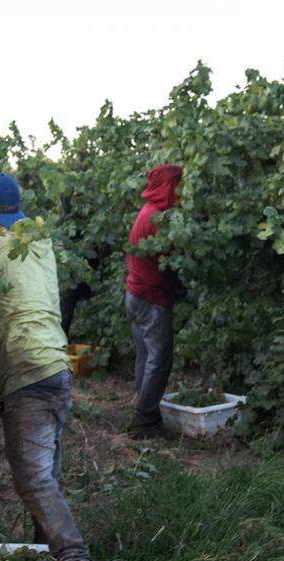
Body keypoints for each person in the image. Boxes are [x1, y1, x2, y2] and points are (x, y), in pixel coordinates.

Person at [0, 172, 109, 561]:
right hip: (56, 368)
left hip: (25, 372)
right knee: (47, 477)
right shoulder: (39, 242)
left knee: (33, 481)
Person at [125, 164, 184, 439]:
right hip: (152, 299)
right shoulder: (159, 219)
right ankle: (144, 421)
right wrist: (182, 292)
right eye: (179, 185)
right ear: (169, 186)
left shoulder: (147, 211)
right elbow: (168, 266)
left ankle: (142, 407)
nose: (181, 191)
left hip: (135, 295)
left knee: (145, 357)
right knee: (158, 361)